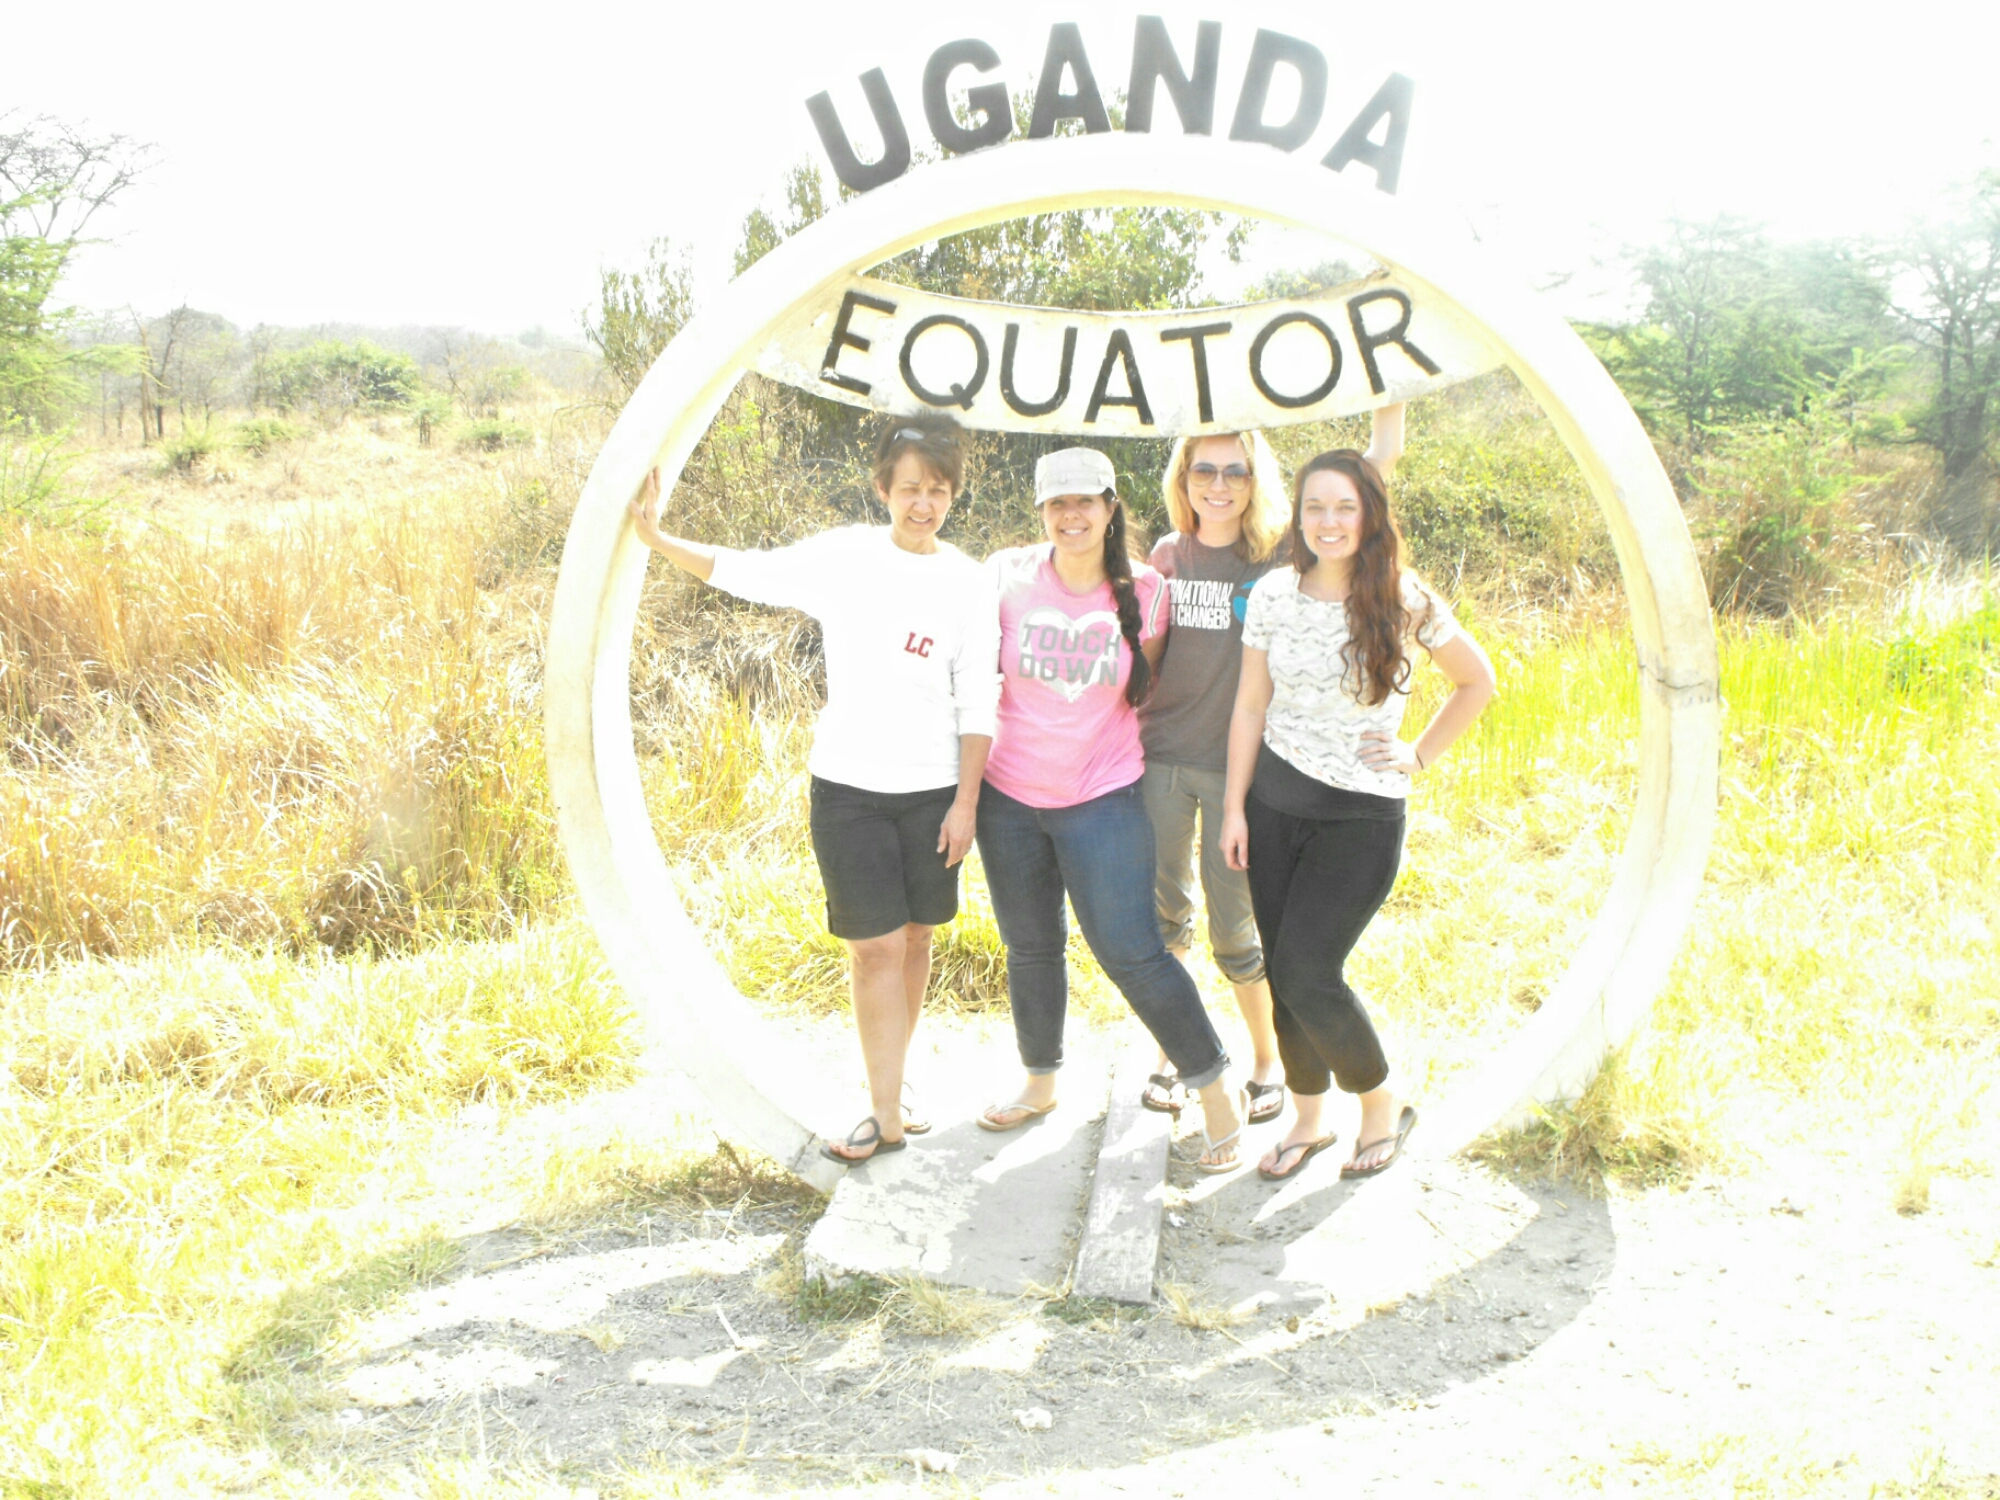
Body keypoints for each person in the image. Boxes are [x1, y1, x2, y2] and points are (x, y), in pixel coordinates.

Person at [628, 418, 999, 1163]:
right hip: (850, 791)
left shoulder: (967, 581)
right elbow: (750, 571)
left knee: (916, 938)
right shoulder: (846, 557)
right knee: (873, 950)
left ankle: (895, 1083)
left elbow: (978, 700)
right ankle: (883, 1113)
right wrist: (658, 540)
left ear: (953, 495)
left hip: (933, 794)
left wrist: (966, 804)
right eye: (909, 489)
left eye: (937, 491)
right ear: (882, 489)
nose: (923, 504)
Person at [1220, 445, 1496, 1182]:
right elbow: (1249, 706)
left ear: (1370, 514)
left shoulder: (1404, 597)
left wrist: (1419, 754)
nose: (1329, 521)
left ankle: (1380, 1102)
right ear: (1297, 515)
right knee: (1281, 973)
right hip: (1272, 808)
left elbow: (1477, 681)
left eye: (1345, 506)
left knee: (1308, 971)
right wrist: (1233, 810)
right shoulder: (1273, 594)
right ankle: (1308, 1120)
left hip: (1359, 819)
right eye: (1315, 506)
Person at [976, 446, 1243, 1171]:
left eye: (1085, 501)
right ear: (1041, 510)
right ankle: (1039, 1083)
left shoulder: (1149, 591)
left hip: (1103, 798)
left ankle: (1214, 1087)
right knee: (1031, 946)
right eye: (1057, 503)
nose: (1072, 515)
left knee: (1133, 951)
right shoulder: (1005, 576)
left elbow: (1144, 684)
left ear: (1109, 507)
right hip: (1008, 799)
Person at [1138, 411, 1404, 1126]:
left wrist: (1390, 402)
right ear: (1183, 478)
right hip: (1162, 759)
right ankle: (1174, 1057)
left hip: (1243, 776)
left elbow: (1361, 481)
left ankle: (1265, 1062)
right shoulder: (1166, 555)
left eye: (1237, 470)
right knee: (1165, 924)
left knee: (1237, 933)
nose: (1219, 484)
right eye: (1204, 469)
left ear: (1257, 481)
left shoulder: (1280, 554)